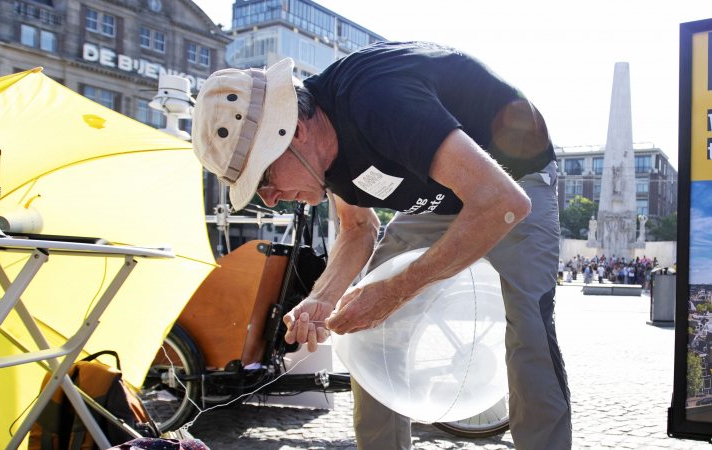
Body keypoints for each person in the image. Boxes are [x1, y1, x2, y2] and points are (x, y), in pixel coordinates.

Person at [190, 41, 571, 450]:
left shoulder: (380, 102)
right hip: (439, 197)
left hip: (513, 180)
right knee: (366, 326)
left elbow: (503, 204)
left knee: (528, 326)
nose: (268, 199)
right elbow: (357, 230)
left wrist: (395, 291)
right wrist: (323, 298)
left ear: (295, 132)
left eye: (263, 179)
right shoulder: (322, 154)